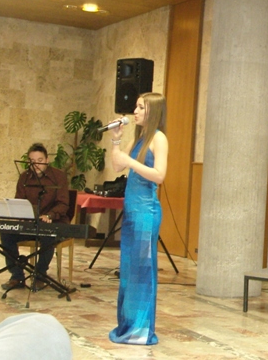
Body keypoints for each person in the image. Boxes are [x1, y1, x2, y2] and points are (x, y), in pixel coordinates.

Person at [107, 92, 168, 345]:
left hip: (146, 212)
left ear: (152, 111)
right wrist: (116, 141)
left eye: (140, 107)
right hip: (132, 211)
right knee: (129, 271)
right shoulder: (140, 137)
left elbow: (159, 175)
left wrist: (130, 161)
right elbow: (117, 166)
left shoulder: (158, 138)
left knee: (142, 272)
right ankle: (129, 325)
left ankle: (140, 331)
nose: (135, 111)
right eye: (136, 106)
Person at [0, 143, 70, 291]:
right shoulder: (24, 177)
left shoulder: (58, 177)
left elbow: (63, 204)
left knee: (48, 237)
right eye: (32, 161)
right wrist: (21, 215)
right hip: (31, 222)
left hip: (53, 221)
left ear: (47, 160)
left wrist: (50, 215)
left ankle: (39, 275)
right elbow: (19, 200)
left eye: (40, 160)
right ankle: (17, 276)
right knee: (6, 233)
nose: (36, 164)